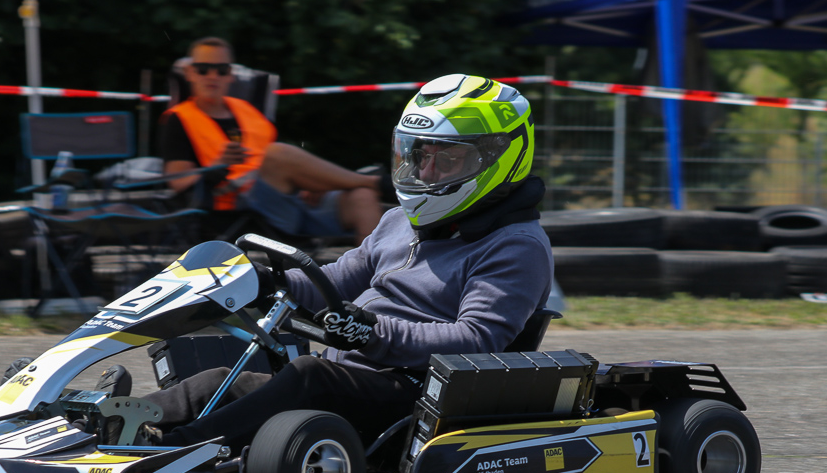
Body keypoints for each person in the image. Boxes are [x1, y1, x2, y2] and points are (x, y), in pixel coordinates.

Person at [133, 73, 553, 451]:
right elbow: (335, 280)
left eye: (447, 160)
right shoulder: (400, 222)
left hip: (416, 395)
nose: (426, 172)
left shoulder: (516, 246)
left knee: (308, 376)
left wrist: (372, 332)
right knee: (223, 380)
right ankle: (115, 424)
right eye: (420, 156)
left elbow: (476, 340)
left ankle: (171, 452)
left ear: (496, 158)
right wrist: (264, 281)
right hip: (350, 375)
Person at [157, 36, 384, 243]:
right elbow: (178, 181)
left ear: (231, 74)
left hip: (284, 201)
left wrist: (314, 182)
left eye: (221, 70)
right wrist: (217, 167)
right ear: (190, 73)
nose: (212, 76)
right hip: (238, 208)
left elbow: (283, 167)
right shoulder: (179, 119)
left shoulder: (246, 110)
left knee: (362, 197)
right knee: (276, 153)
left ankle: (374, 272)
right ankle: (376, 181)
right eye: (203, 69)